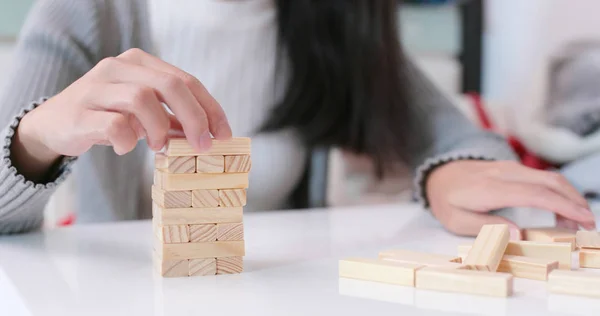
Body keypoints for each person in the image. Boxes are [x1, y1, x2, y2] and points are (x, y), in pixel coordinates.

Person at [0, 0, 594, 237]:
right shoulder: (81, 13)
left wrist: (452, 171)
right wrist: (34, 138)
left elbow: (461, 140)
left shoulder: (338, 21)